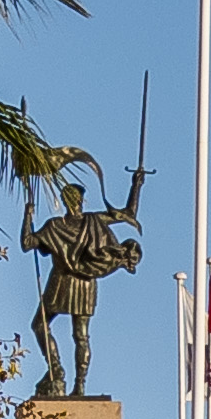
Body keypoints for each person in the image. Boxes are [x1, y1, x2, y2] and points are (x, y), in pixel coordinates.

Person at [20, 154, 144, 402]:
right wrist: (136, 186)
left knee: (41, 325)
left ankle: (58, 370)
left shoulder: (54, 225)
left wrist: (28, 215)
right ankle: (77, 385)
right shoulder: (93, 220)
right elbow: (129, 213)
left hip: (63, 282)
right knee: (81, 335)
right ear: (81, 201)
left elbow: (27, 242)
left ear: (65, 201)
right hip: (83, 283)